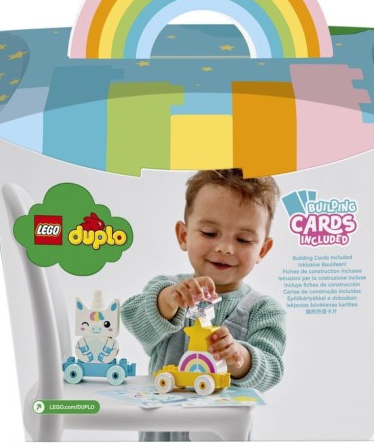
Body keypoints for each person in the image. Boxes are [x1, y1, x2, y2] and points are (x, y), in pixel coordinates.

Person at [121, 169, 286, 441]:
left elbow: (271, 370)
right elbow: (134, 320)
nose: (225, 248)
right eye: (210, 233)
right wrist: (168, 301)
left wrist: (238, 357)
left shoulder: (264, 310)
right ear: (183, 235)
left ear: (263, 250)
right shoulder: (166, 289)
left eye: (243, 239)